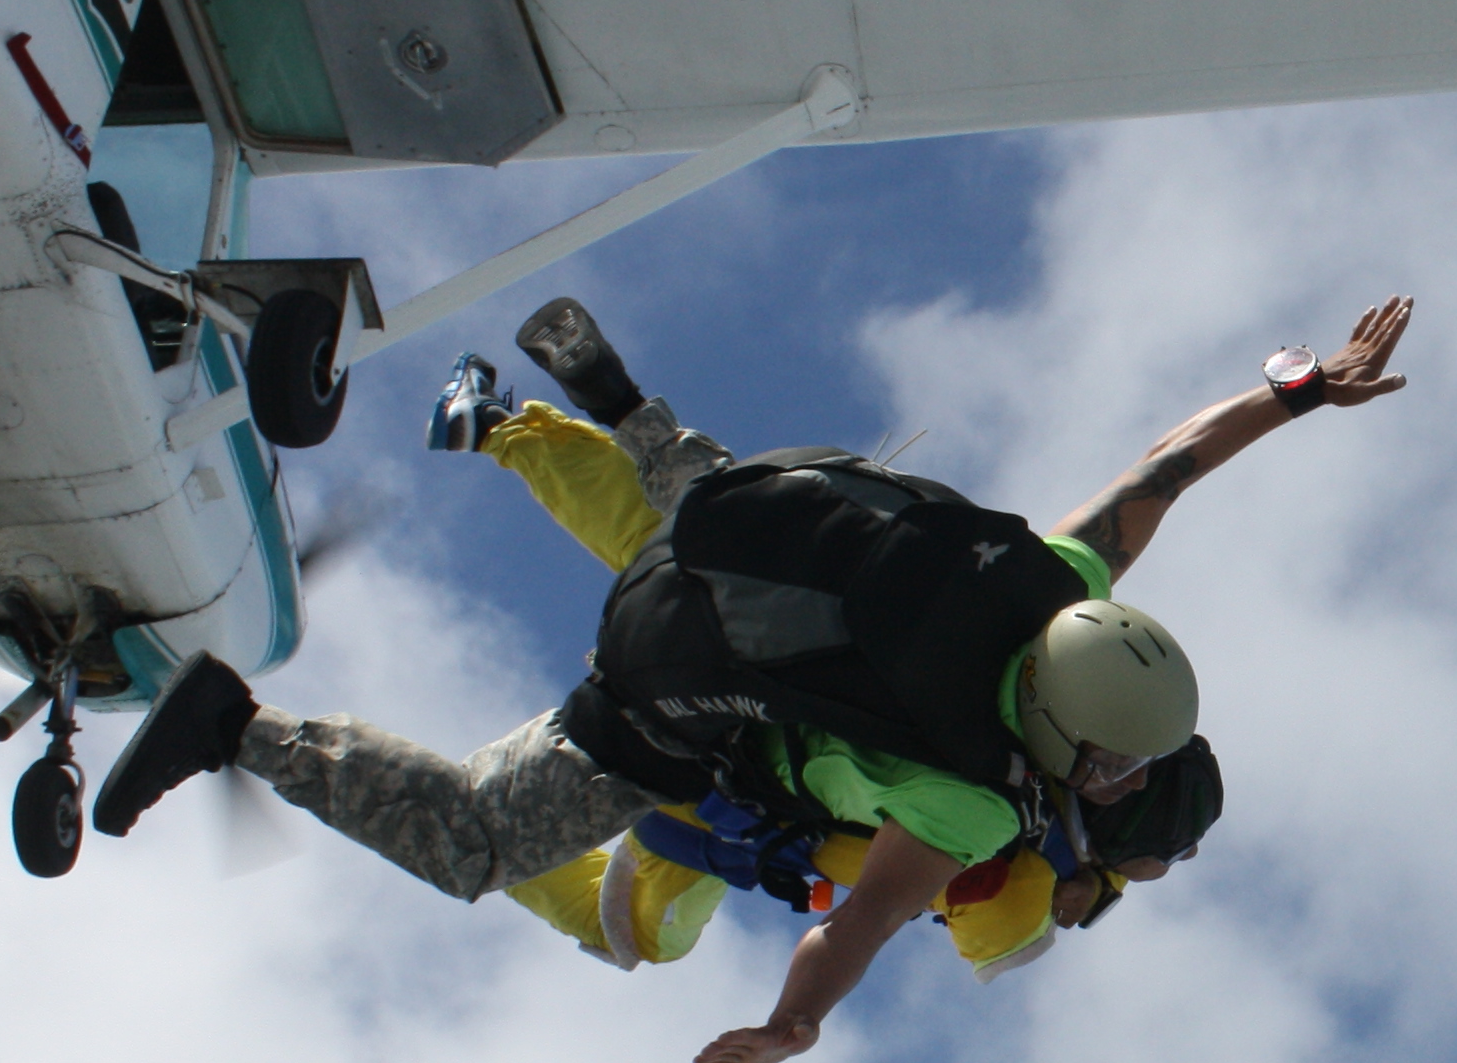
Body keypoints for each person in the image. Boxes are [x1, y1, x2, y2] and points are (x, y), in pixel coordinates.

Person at [92, 290, 1412, 1063]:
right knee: (473, 841)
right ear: (1070, 732)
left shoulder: (1064, 583)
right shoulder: (978, 809)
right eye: (1116, 760)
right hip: (658, 702)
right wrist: (794, 1025)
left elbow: (1167, 466)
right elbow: (857, 926)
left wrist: (1300, 392)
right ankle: (239, 729)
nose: (1116, 774)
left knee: (736, 505)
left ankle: (623, 409)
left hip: (738, 526)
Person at [452, 382, 1220, 980]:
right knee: (632, 932)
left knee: (672, 537)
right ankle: (460, 814)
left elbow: (1154, 480)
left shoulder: (1047, 629)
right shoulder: (988, 837)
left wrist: (1299, 392)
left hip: (762, 642)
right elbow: (997, 934)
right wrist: (1085, 888)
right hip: (706, 776)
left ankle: (498, 424)